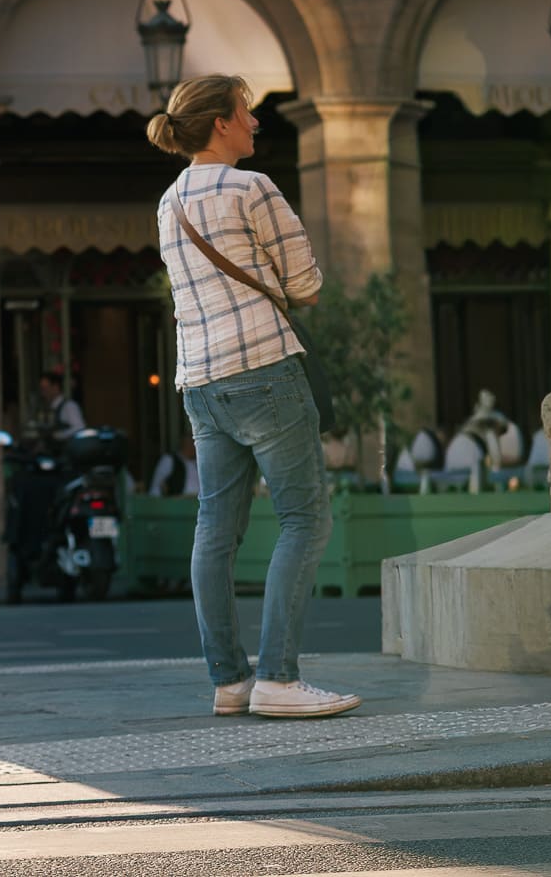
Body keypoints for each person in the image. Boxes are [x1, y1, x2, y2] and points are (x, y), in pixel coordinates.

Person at [149, 74, 360, 721]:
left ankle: (230, 680)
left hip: (201, 381)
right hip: (266, 370)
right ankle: (279, 678)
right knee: (304, 519)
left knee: (216, 529)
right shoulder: (252, 188)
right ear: (220, 122)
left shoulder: (169, 200)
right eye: (248, 112)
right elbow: (307, 286)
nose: (256, 123)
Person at [35, 370, 85, 443]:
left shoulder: (69, 406)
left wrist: (60, 435)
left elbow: (80, 427)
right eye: (42, 389)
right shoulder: (48, 407)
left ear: (55, 387)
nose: (43, 393)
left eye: (45, 389)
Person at [151, 433, 201, 498]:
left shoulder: (198, 463)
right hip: (177, 503)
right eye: (192, 443)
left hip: (198, 503)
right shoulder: (169, 460)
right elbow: (156, 488)